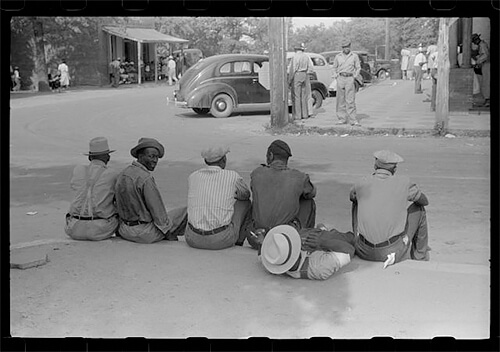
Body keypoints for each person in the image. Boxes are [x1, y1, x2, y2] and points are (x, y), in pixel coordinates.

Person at [350, 150, 430, 268]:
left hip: (364, 251)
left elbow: (352, 197)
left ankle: (357, 236)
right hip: (390, 251)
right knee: (419, 209)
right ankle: (420, 257)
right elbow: (424, 201)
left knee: (357, 202)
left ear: (375, 166)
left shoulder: (361, 182)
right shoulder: (404, 182)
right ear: (394, 169)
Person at [245, 140, 316, 249]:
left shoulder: (257, 173)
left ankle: (258, 235)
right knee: (308, 202)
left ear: (270, 155)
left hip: (255, 236)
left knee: (255, 199)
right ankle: (303, 239)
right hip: (285, 237)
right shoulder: (299, 177)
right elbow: (312, 192)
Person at [114, 138, 187, 244]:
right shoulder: (145, 178)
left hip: (124, 230)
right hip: (144, 233)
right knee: (185, 212)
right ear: (140, 156)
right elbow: (157, 210)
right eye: (151, 156)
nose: (155, 160)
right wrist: (168, 234)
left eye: (157, 157)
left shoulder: (123, 173)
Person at [185, 146, 251, 250]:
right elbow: (245, 195)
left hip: (192, 238)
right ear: (224, 160)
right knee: (245, 202)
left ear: (206, 161)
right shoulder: (233, 176)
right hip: (220, 240)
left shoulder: (193, 176)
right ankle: (239, 241)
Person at [65, 137, 119, 241]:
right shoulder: (113, 174)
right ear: (108, 157)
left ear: (89, 158)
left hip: (74, 228)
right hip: (100, 230)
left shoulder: (78, 170)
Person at [255, 225, 355, 280]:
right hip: (327, 246)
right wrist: (322, 241)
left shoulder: (274, 259)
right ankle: (323, 231)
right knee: (350, 238)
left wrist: (263, 243)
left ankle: (321, 230)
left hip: (308, 250)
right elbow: (349, 251)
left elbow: (262, 257)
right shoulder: (320, 266)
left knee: (306, 232)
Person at [331, 39, 361, 126]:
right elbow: (334, 67)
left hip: (349, 78)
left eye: (347, 47)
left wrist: (354, 76)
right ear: (342, 48)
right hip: (341, 78)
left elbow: (358, 67)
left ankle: (353, 119)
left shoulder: (354, 56)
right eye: (344, 47)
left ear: (350, 47)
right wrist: (335, 75)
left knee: (350, 100)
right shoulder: (338, 56)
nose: (346, 49)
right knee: (340, 100)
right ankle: (342, 118)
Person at [288, 43, 314, 120]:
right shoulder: (306, 57)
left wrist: (290, 80)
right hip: (305, 75)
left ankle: (297, 115)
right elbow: (310, 68)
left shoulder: (295, 57)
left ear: (295, 49)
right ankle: (305, 114)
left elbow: (293, 69)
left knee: (296, 96)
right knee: (304, 96)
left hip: (297, 74)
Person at [471, 33, 490, 107]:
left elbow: (485, 55)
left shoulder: (482, 45)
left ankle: (487, 99)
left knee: (486, 81)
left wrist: (477, 61)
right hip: (485, 64)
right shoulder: (481, 45)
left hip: (487, 64)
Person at [428, 47, 438, 112]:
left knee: (434, 88)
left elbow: (430, 57)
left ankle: (433, 106)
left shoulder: (435, 54)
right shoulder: (444, 53)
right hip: (439, 70)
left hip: (434, 69)